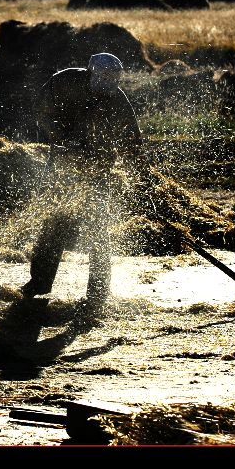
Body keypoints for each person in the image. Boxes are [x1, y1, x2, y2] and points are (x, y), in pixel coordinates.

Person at [21, 52, 149, 313]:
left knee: (98, 230)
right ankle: (39, 283)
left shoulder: (118, 100)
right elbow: (42, 112)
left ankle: (97, 294)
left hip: (99, 170)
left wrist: (142, 177)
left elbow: (131, 142)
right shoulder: (64, 82)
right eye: (104, 78)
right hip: (63, 168)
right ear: (91, 72)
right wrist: (62, 138)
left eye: (114, 79)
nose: (109, 84)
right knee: (54, 225)